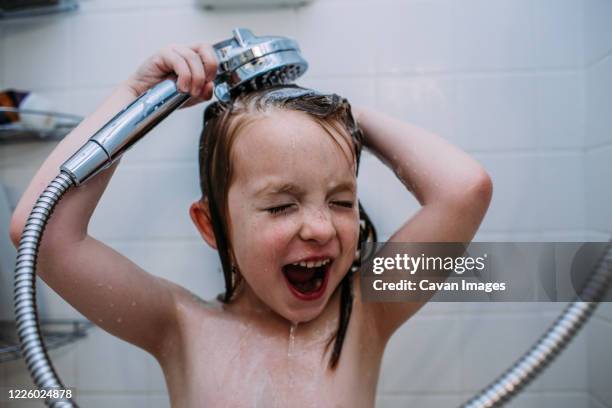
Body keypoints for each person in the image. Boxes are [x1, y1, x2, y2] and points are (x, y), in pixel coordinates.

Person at [10, 42, 492, 407]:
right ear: (212, 226)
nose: (321, 228)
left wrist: (339, 114)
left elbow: (463, 188)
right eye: (282, 206)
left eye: (341, 200)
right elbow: (41, 232)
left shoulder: (366, 312)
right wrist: (137, 101)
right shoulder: (178, 326)